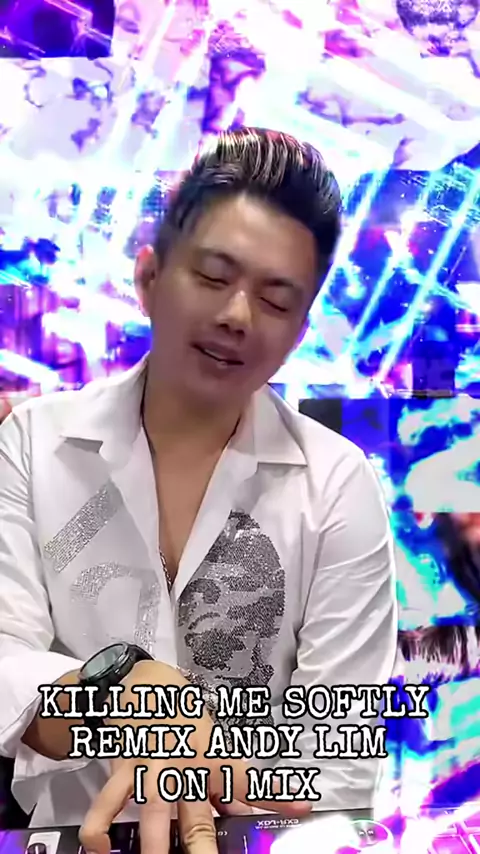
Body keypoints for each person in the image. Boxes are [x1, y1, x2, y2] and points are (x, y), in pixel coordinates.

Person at [0, 128, 397, 852]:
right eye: (213, 278)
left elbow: (341, 762)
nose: (237, 316)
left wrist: (193, 764)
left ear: (301, 329)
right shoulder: (32, 442)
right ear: (149, 277)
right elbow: (4, 666)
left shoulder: (338, 484)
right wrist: (123, 689)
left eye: (275, 299)